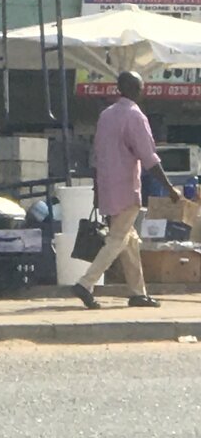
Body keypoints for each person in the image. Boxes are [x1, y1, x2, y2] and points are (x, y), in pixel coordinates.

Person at [72, 70, 181, 310]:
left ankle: (137, 293)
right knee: (117, 239)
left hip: (107, 186)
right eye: (141, 88)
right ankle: (85, 283)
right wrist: (170, 189)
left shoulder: (106, 115)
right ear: (135, 90)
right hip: (126, 187)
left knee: (129, 241)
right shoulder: (135, 116)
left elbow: (97, 155)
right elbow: (149, 158)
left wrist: (97, 190)